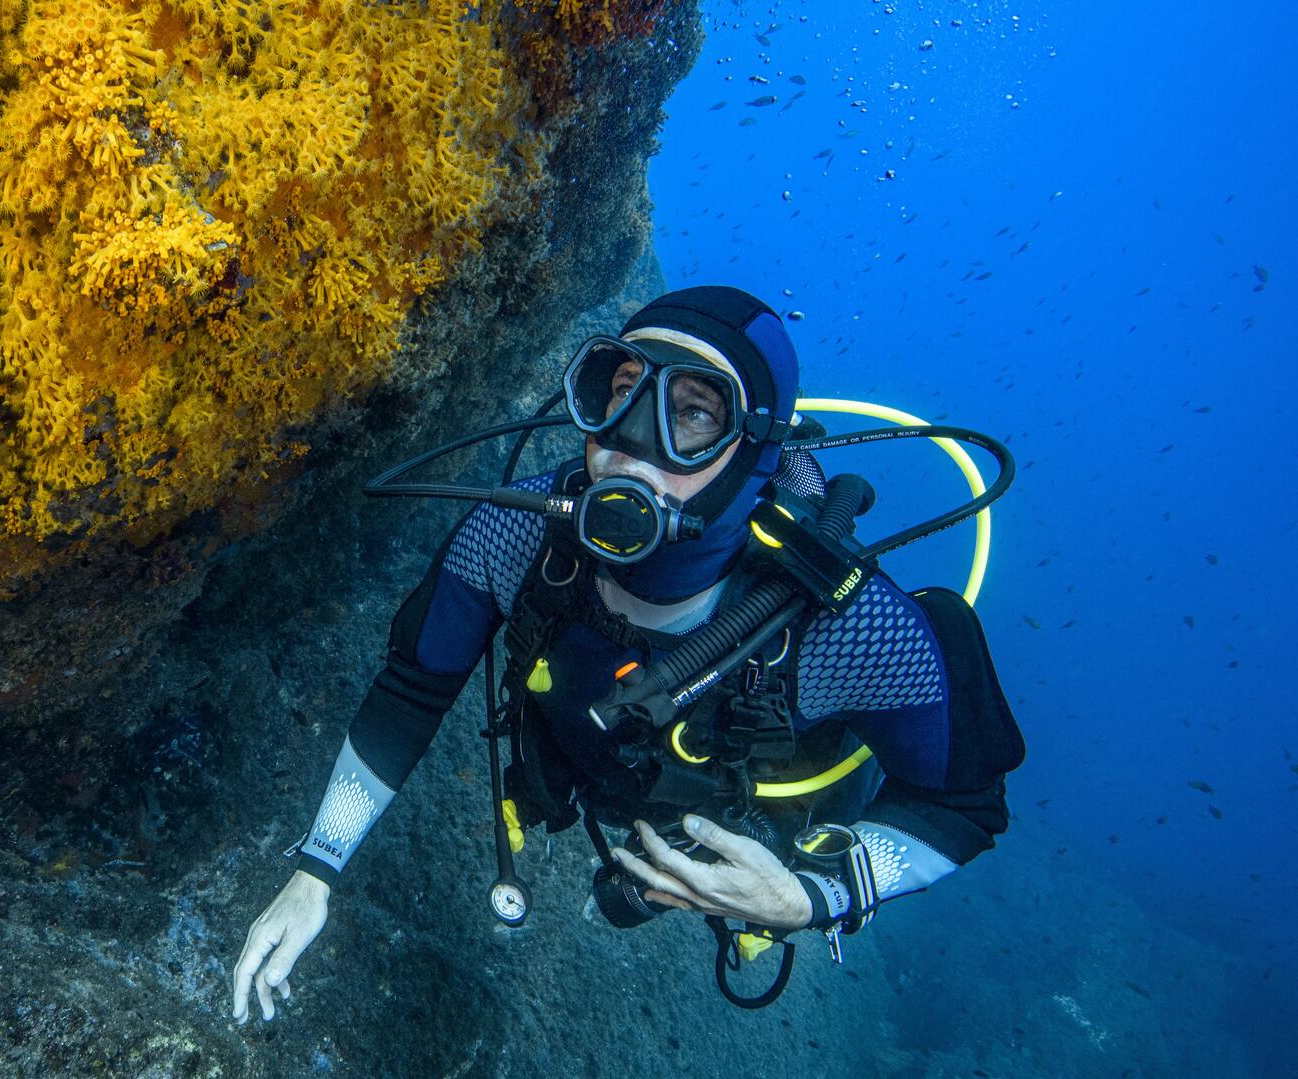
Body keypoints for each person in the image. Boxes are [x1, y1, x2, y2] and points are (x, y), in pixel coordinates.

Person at [231, 285, 1025, 1023]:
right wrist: (317, 868)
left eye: (695, 412)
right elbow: (412, 689)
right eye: (621, 394)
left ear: (755, 448)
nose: (631, 447)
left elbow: (963, 805)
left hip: (770, 839)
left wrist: (812, 895)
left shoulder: (847, 626)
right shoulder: (515, 535)